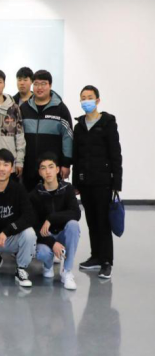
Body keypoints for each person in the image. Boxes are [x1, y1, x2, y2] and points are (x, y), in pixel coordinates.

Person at [73, 85, 122, 279]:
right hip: (85, 182)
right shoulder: (79, 126)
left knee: (103, 222)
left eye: (90, 97)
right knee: (91, 221)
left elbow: (116, 154)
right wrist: (75, 182)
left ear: (98, 100)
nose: (86, 101)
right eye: (83, 98)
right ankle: (95, 257)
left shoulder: (108, 123)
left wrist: (117, 183)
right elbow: (76, 157)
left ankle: (106, 261)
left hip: (103, 181)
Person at [0, 149, 37, 287]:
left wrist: (8, 230)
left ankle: (21, 268)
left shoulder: (19, 190)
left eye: (6, 165)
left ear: (12, 168)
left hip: (11, 236)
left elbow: (29, 217)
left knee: (29, 234)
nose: (2, 169)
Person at [31, 152, 81, 290]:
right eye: (43, 168)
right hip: (46, 237)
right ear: (39, 172)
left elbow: (76, 213)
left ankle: (67, 271)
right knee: (42, 253)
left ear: (57, 169)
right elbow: (34, 227)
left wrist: (51, 218)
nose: (48, 171)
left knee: (73, 225)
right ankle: (48, 266)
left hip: (63, 233)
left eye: (51, 167)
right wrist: (53, 243)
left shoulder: (67, 189)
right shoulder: (35, 195)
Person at [20, 70, 73, 191]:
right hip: (29, 167)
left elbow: (68, 137)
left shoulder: (60, 109)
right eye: (36, 84)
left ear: (50, 85)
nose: (39, 87)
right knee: (29, 199)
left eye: (43, 83)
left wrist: (66, 164)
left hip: (52, 169)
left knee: (52, 199)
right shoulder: (24, 108)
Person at [0, 69, 26, 181]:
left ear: (4, 84)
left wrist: (19, 161)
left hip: (9, 165)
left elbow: (20, 136)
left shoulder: (14, 108)